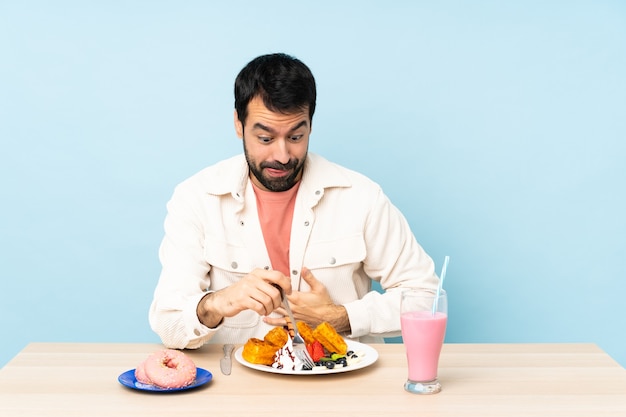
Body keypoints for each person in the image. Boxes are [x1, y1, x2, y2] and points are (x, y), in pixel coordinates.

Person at [149, 53, 439, 349]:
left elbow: (425, 296)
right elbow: (168, 322)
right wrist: (217, 303)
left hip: (344, 384)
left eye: (296, 136)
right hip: (239, 386)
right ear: (239, 124)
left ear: (310, 125)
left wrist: (340, 317)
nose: (282, 155)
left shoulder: (361, 196)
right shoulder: (197, 198)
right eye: (265, 139)